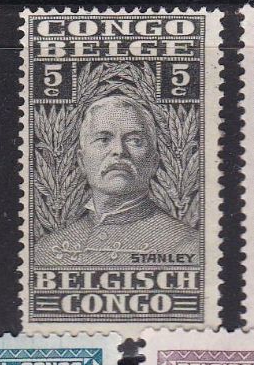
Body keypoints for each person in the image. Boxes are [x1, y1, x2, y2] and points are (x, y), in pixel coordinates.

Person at [33, 90, 197, 265]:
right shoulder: (45, 251)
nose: (119, 151)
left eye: (135, 140)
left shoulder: (189, 246)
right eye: (103, 139)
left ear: (153, 162)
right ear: (82, 161)